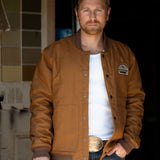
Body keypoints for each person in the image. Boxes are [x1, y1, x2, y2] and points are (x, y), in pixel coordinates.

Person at [30, 0, 145, 160]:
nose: (92, 17)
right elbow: (41, 103)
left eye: (98, 10)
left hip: (112, 153)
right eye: (86, 11)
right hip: (67, 153)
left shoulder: (124, 55)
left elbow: (135, 101)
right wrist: (41, 150)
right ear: (77, 14)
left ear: (108, 13)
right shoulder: (53, 54)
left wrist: (129, 142)